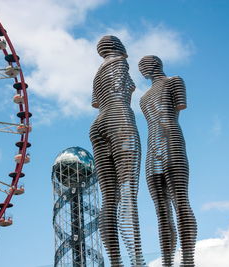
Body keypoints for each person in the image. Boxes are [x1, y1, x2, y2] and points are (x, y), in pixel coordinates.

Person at [89, 35, 146, 267]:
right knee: (129, 194)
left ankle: (116, 263)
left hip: (97, 124)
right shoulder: (120, 63)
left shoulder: (96, 75)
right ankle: (137, 262)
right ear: (120, 47)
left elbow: (95, 102)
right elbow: (124, 88)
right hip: (119, 117)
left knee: (109, 200)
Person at [139, 55, 197, 267]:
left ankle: (188, 260)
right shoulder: (143, 98)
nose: (143, 69)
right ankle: (167, 262)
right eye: (141, 66)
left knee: (180, 201)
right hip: (151, 148)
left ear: (157, 64)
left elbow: (180, 106)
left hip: (171, 140)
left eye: (146, 64)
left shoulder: (174, 81)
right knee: (161, 210)